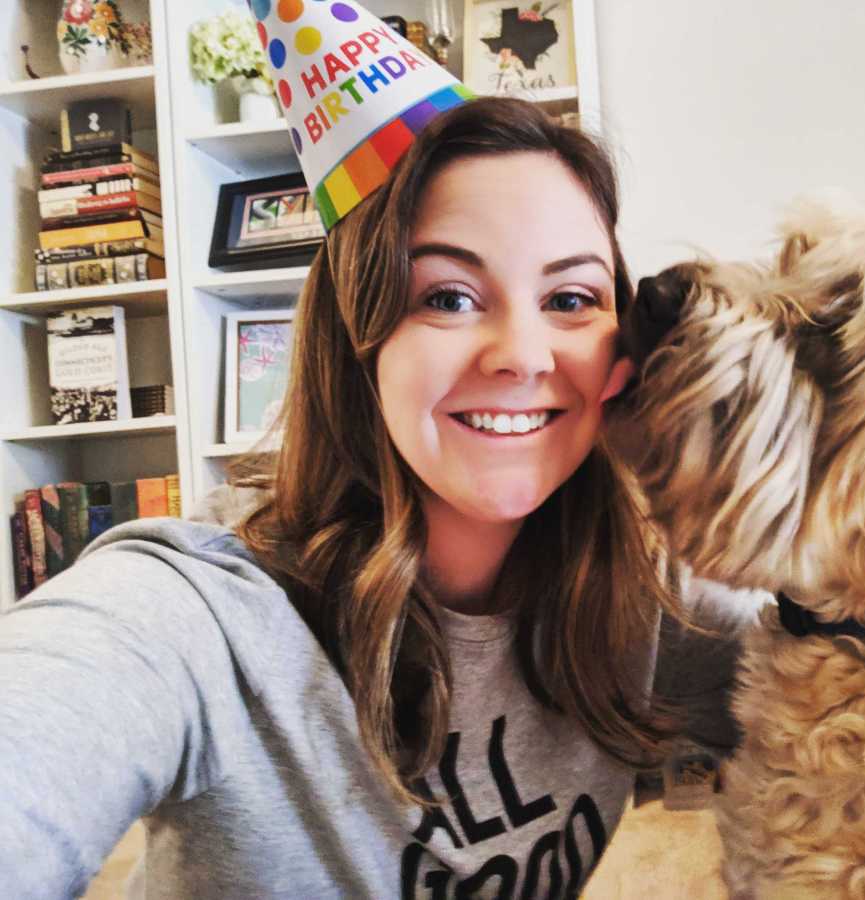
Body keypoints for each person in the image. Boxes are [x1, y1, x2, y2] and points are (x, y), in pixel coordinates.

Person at [0, 96, 764, 898]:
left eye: (570, 299)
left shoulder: (642, 602)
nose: (523, 355)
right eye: (447, 297)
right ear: (354, 336)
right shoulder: (201, 619)